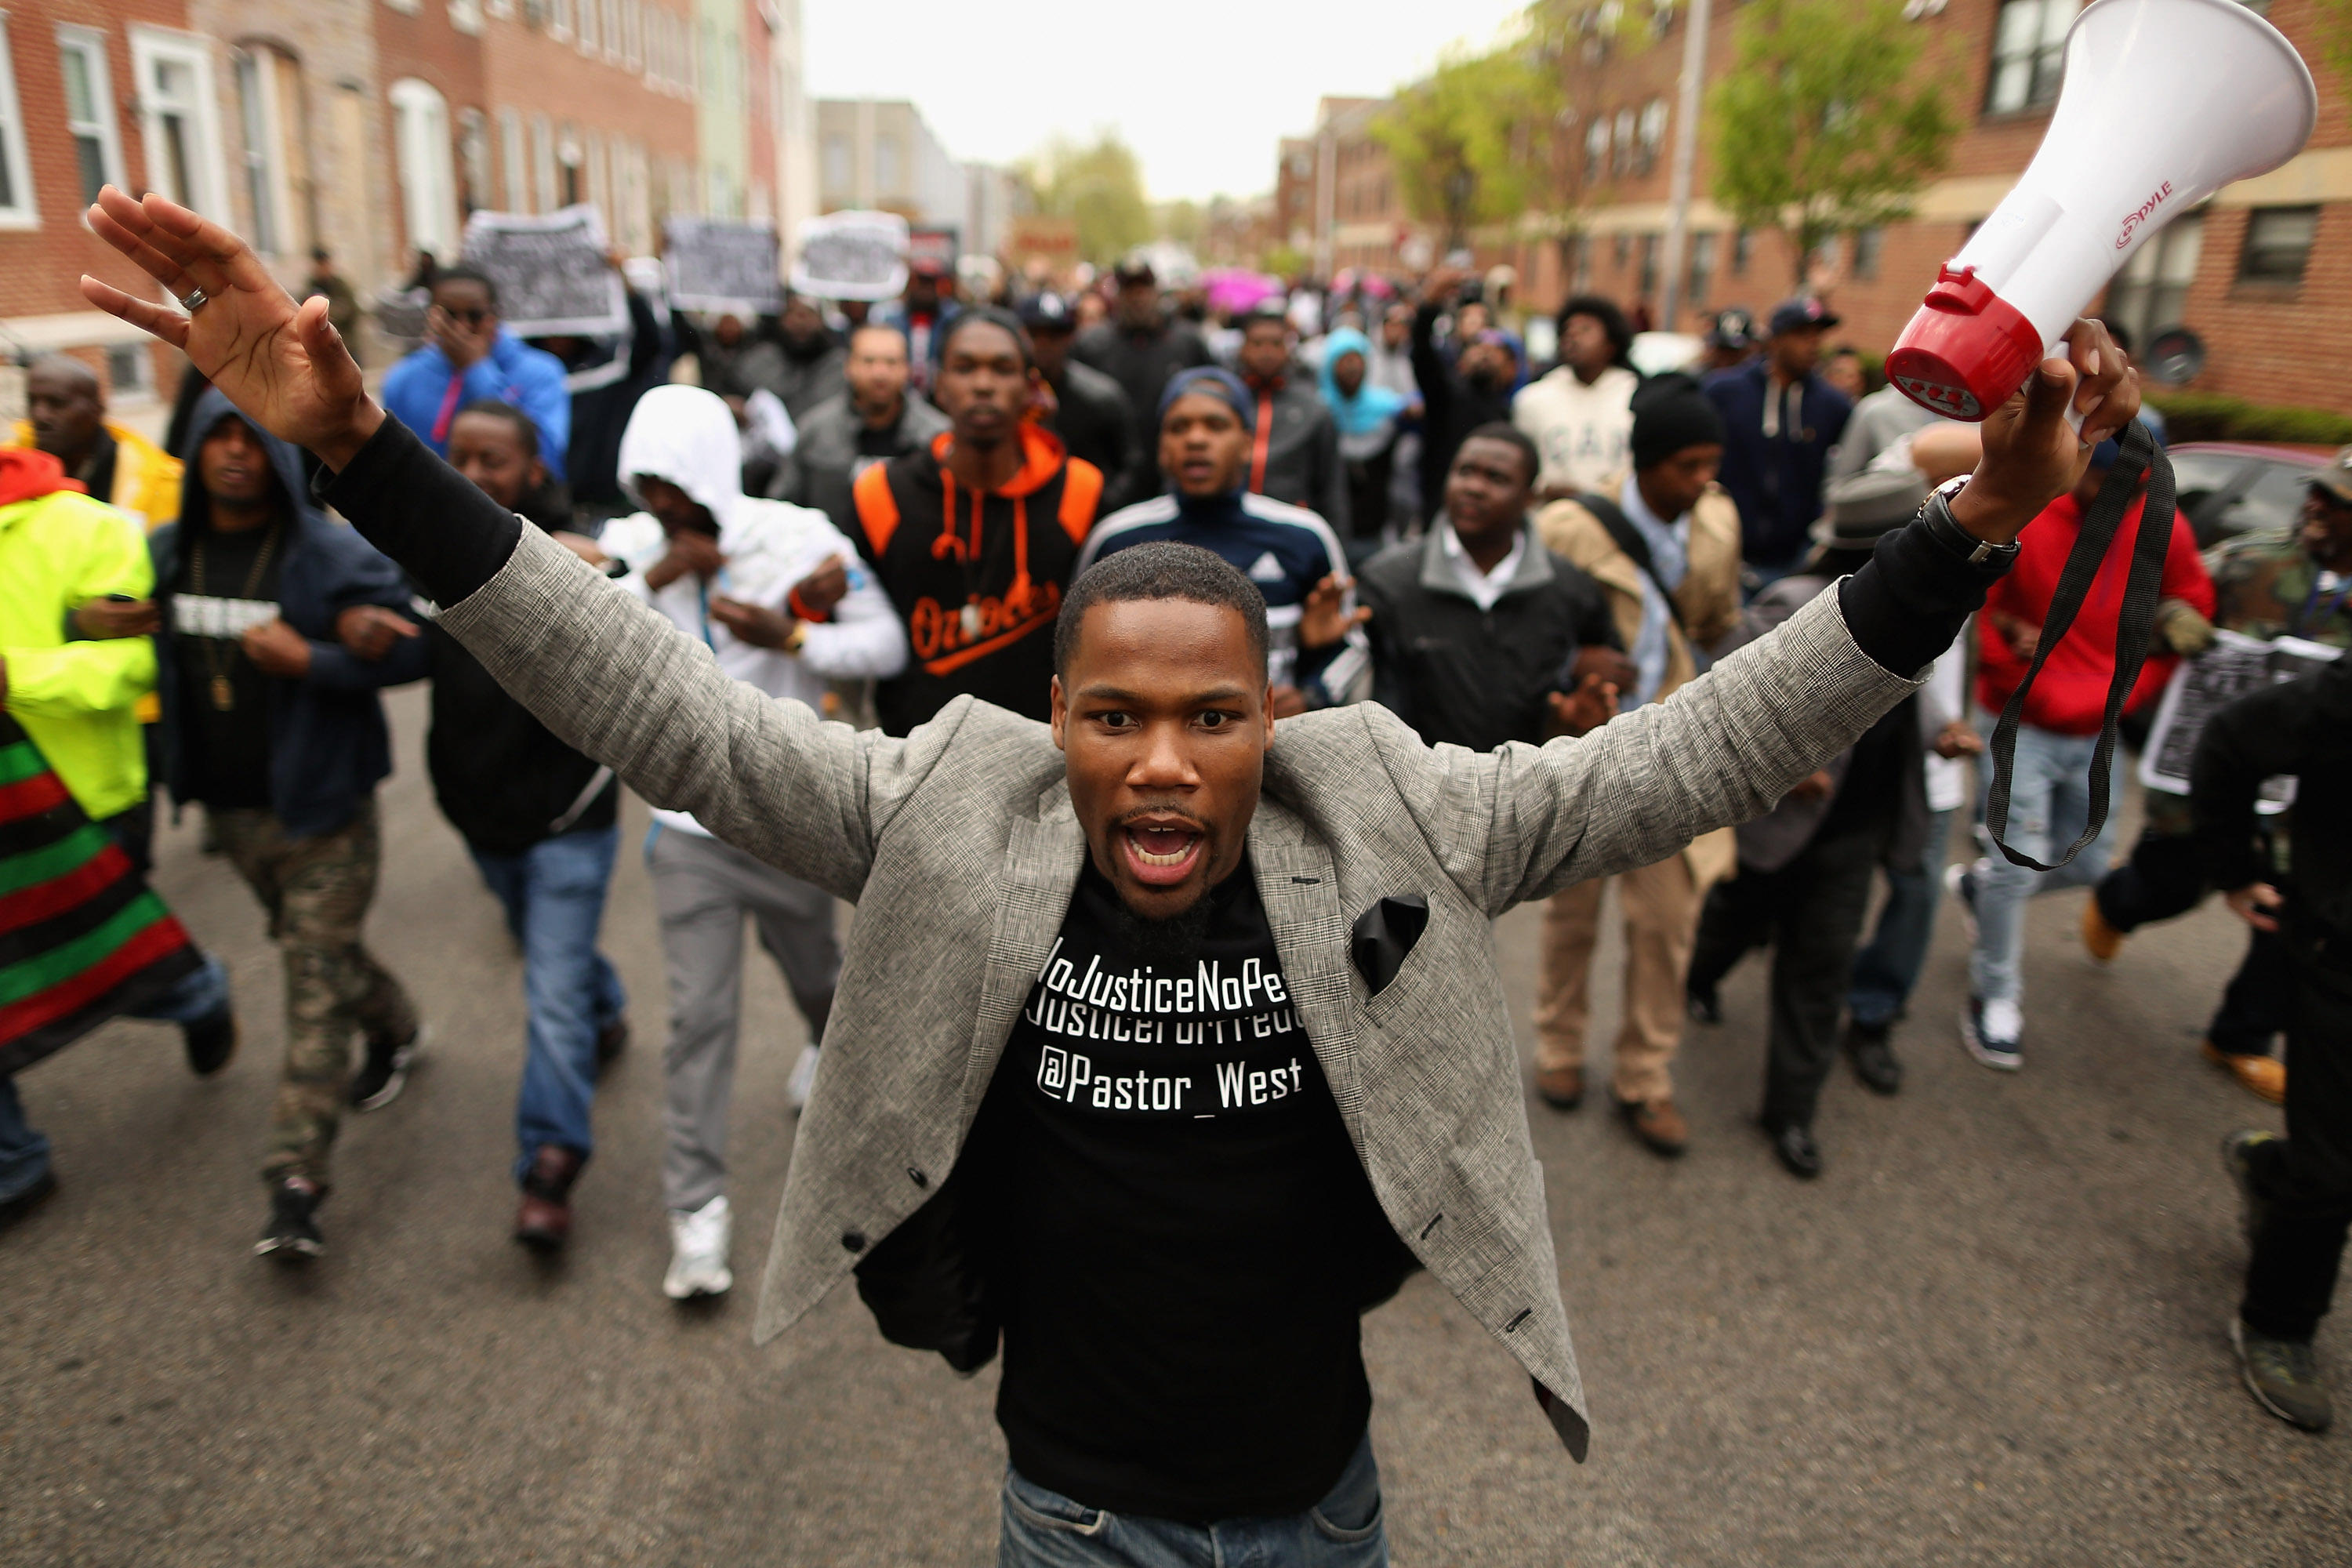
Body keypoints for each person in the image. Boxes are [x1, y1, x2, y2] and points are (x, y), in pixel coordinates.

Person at [78, 183, 2137, 1564]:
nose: (1163, 764)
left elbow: (1701, 747)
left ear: (1276, 715)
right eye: (1116, 716)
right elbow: (655, 703)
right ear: (1051, 714)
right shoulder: (947, 804)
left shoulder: (1387, 804)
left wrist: (1969, 535)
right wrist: (363, 455)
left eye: (1214, 717)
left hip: (1323, 1508)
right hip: (1068, 1516)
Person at [567, 384, 906, 1298]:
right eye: (645, 487)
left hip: (787, 820)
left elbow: (886, 643)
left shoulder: (797, 537)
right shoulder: (638, 544)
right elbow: (569, 620)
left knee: (822, 982)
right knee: (699, 1020)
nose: (661, 504)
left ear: (713, 470)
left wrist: (793, 632)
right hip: (687, 832)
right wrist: (657, 575)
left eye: (674, 485)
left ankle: (824, 1049)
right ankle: (697, 1213)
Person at [147, 388, 430, 1260]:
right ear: (195, 450)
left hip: (325, 811)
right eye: (218, 437)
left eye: (252, 438)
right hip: (233, 815)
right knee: (321, 952)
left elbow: (421, 648)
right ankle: (396, 1023)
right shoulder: (168, 552)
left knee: (311, 979)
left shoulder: (330, 553)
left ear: (278, 454)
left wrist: (317, 658)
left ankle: (295, 1179)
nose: (235, 453)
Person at [1683, 472, 1950, 1178]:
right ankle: (1699, 979)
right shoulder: (1793, 604)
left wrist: (1941, 734)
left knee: (1820, 970)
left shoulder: (1920, 608)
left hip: (1856, 830)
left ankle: (1791, 1114)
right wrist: (1785, 763)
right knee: (1736, 918)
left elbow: (1910, 699)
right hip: (1784, 822)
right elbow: (1725, 691)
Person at [0, 445, 234, 1228]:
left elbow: (135, 667)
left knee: (98, 967)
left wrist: (16, 677)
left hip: (78, 803)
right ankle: (14, 1160)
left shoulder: (89, 527)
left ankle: (196, 988)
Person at [422, 401, 632, 1252]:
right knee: (562, 970)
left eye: (496, 460)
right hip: (480, 815)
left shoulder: (574, 553)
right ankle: (606, 1007)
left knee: (549, 993)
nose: (476, 474)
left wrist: (604, 571)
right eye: (462, 456)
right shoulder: (423, 543)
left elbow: (636, 596)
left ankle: (550, 1160)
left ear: (532, 470)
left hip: (567, 820)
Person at [2084, 448, 2352, 1104]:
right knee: (2173, 883)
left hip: (2310, 804)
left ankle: (2241, 1037)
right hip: (2211, 773)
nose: (2316, 503)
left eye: (2338, 501)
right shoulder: (2251, 559)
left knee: (2289, 923)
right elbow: (2147, 600)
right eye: (2318, 490)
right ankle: (2118, 902)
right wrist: (2173, 618)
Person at [1527, 379, 1744, 1156]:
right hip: (1589, 752)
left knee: (1665, 925)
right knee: (1573, 914)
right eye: (1688, 466)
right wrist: (1573, 667)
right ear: (1648, 462)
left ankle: (1645, 1077)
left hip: (1674, 756)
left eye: (1712, 465)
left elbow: (1715, 623)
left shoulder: (1716, 524)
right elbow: (1530, 631)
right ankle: (1559, 1046)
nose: (1701, 482)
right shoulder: (1570, 527)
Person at [1952, 435, 2215, 1071]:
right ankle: (1995, 998)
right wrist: (2011, 666)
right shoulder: (2034, 504)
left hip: (2100, 730)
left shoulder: (2162, 526)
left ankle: (1982, 888)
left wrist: (2131, 692)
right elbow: (1976, 597)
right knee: (2016, 865)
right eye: (2103, 479)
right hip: (2022, 719)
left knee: (2090, 862)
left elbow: (2195, 615)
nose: (2114, 495)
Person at [2198, 655, 2352, 1433]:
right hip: (2339, 957)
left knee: (2324, 1162)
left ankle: (2270, 1170)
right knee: (2335, 1169)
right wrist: (2236, 868)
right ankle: (2279, 1325)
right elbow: (2231, 740)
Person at [849, 309, 1102, 736]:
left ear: (1029, 386)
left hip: (1042, 748)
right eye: (965, 368)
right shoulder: (881, 492)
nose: (983, 384)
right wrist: (808, 603)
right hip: (913, 748)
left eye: (1002, 369)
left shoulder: (1079, 490)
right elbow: (849, 609)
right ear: (939, 384)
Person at [1079, 368, 1370, 718]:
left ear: (1247, 445)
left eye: (1215, 426)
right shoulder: (1116, 540)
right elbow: (1075, 651)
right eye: (1178, 427)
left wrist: (1313, 691)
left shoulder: (1305, 535)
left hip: (1277, 737)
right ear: (1161, 449)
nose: (1195, 440)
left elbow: (1354, 646)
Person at [1357, 423, 1622, 750]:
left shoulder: (1569, 588)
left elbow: (1608, 675)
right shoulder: (1387, 582)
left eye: (1496, 478)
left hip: (1531, 775)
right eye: (1465, 472)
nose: (1474, 488)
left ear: (1529, 497)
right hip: (1419, 777)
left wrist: (1572, 713)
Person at [1705, 297, 1853, 583]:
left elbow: (1843, 475)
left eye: (1818, 336)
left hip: (1795, 562)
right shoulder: (1724, 392)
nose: (1813, 344)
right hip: (1725, 553)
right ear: (1774, 340)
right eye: (1801, 334)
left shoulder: (1833, 405)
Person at [380, 265, 572, 481]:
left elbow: (548, 457)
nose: (462, 328)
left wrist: (477, 370)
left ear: (495, 316)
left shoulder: (541, 372)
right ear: (432, 316)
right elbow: (393, 460)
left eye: (475, 316)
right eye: (450, 316)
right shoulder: (404, 378)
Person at [785, 323, 950, 539]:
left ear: (907, 369)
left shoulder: (937, 436)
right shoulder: (815, 429)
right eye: (868, 361)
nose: (880, 373)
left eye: (891, 362)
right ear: (849, 366)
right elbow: (784, 506)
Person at [14, 354, 183, 529]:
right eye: (32, 402)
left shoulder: (161, 483)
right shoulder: (7, 468)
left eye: (57, 403)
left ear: (97, 409)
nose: (40, 416)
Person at [1072, 257, 1214, 456]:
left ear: (1156, 291)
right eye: (1129, 290)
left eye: (1143, 289)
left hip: (1171, 456)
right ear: (1118, 296)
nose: (1137, 298)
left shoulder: (1187, 341)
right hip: (1110, 456)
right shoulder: (1092, 344)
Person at [1411, 270, 1520, 528]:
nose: (1484, 353)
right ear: (1460, 362)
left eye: (1494, 350)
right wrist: (1430, 305)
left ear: (1510, 368)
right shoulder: (1445, 395)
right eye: (1476, 348)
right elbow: (1422, 352)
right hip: (1441, 518)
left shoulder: (1512, 412)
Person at [1021, 292, 1145, 514]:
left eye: (1055, 334)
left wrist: (1101, 507)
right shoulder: (1006, 397)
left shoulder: (1100, 396)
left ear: (1070, 336)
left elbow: (1131, 462)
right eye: (1034, 334)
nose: (1043, 344)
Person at [1234, 303, 1349, 535]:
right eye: (1257, 343)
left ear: (1288, 348)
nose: (1267, 352)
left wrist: (1336, 541)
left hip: (1291, 529)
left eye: (1276, 343)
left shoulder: (1313, 408)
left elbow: (1331, 485)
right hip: (1232, 526)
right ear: (1243, 348)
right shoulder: (1227, 401)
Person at [1512, 295, 1639, 503]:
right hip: (1552, 516)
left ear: (1611, 345)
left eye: (1585, 330)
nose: (1572, 336)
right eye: (1567, 330)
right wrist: (1543, 489)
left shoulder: (1638, 396)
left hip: (1619, 515)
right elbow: (1519, 467)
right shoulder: (1533, 399)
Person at [1315, 325, 1410, 564]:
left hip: (1376, 533)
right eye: (1344, 360)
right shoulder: (1317, 414)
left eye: (1357, 359)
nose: (1352, 367)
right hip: (1328, 534)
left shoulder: (1388, 408)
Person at [878, 256, 960, 396]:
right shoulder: (892, 321)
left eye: (930, 283)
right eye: (921, 282)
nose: (925, 289)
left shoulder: (952, 320)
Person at [773, 293, 850, 423]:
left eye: (808, 314)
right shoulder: (761, 359)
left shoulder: (839, 364)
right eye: (794, 314)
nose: (800, 322)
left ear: (821, 320)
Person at [303, 247, 364, 369]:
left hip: (345, 343)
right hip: (321, 347)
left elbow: (352, 310)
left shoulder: (341, 286)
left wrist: (332, 312)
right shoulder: (310, 287)